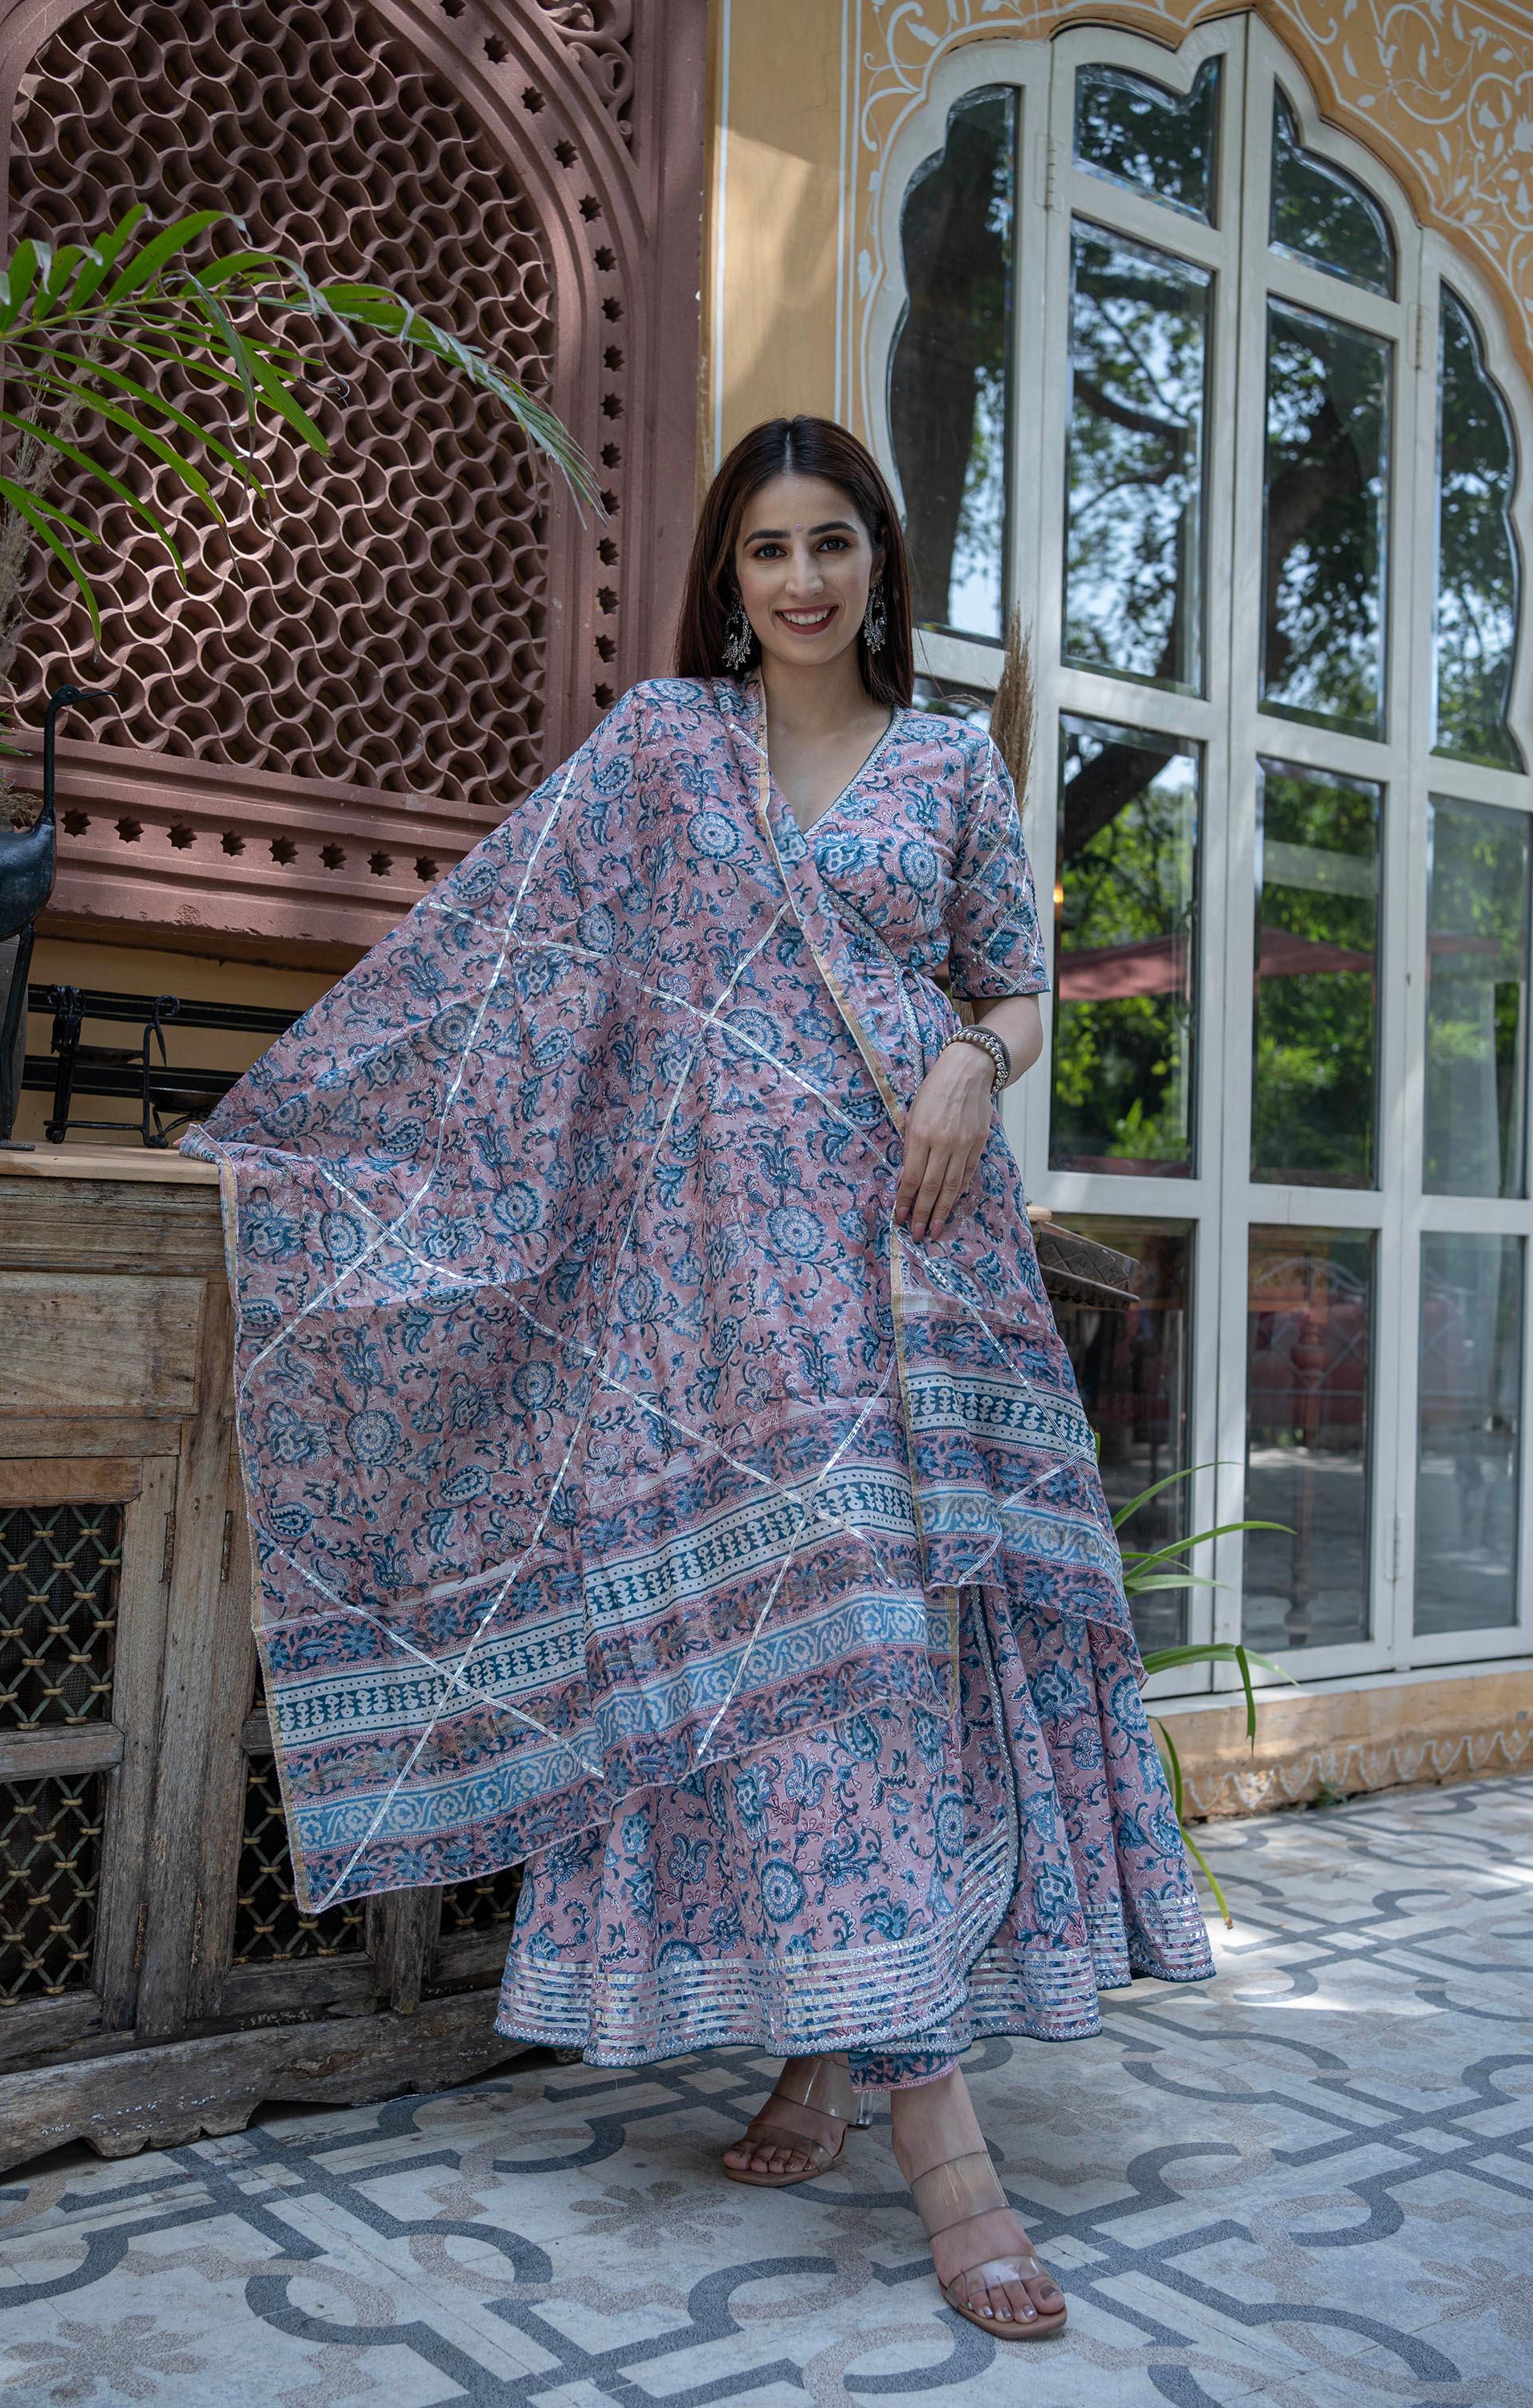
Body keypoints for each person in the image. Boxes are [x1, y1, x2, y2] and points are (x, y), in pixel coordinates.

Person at [185, 413, 1212, 2346]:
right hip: (702, 1304)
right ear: (728, 577)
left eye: (832, 543)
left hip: (909, 1277)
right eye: (766, 549)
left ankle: (888, 2093)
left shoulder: (948, 766)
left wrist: (971, 1063)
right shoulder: (663, 749)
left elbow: (1010, 984)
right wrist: (307, 1143)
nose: (801, 580)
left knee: (884, 1667)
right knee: (789, 1675)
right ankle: (891, 2093)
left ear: (881, 562)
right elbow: (499, 957)